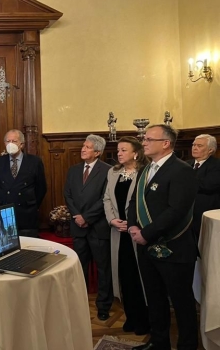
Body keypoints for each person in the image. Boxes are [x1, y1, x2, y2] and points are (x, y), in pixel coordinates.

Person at [127, 124, 198, 350]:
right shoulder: (144, 170)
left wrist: (145, 233)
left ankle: (187, 346)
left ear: (165, 144)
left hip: (174, 248)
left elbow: (176, 210)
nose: (144, 142)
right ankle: (159, 344)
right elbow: (133, 203)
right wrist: (131, 227)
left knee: (182, 303)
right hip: (146, 248)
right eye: (144, 138)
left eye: (149, 139)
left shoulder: (182, 170)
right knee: (155, 300)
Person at [103, 136, 149, 335]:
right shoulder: (113, 173)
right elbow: (106, 199)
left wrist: (131, 224)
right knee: (124, 275)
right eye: (118, 150)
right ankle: (130, 317)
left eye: (123, 150)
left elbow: (145, 204)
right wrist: (112, 220)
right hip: (118, 232)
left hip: (136, 232)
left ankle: (144, 321)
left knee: (139, 276)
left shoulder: (144, 173)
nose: (119, 153)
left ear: (136, 153)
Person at [64, 134, 113, 321]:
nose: (83, 149)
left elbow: (105, 199)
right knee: (79, 267)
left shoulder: (108, 171)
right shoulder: (73, 170)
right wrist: (77, 216)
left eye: (88, 147)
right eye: (83, 146)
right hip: (78, 227)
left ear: (98, 152)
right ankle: (79, 303)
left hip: (98, 227)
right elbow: (67, 194)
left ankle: (103, 306)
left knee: (103, 269)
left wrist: (87, 217)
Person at [0, 129, 47, 238]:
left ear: (21, 144)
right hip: (6, 214)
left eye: (14, 141)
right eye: (8, 141)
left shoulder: (34, 162)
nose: (10, 144)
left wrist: (32, 204)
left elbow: (41, 188)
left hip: (28, 215)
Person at [186, 134, 220, 239]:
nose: (194, 148)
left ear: (210, 150)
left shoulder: (217, 165)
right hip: (185, 214)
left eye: (199, 146)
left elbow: (207, 185)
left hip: (204, 213)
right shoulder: (186, 164)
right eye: (193, 145)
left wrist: (183, 182)